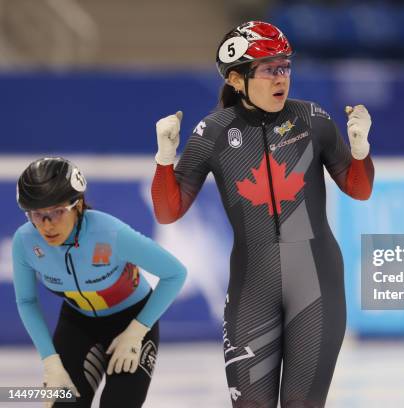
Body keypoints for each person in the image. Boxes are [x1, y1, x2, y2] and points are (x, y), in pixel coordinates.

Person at [151, 20, 374, 408]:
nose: (281, 78)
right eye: (270, 69)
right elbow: (169, 212)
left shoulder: (313, 119)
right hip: (252, 289)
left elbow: (359, 189)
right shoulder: (213, 132)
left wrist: (360, 149)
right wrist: (164, 159)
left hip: (317, 283)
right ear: (237, 80)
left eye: (285, 67)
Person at [12, 157, 187, 407]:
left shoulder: (110, 233)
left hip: (131, 319)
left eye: (57, 212)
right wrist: (49, 360)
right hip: (78, 324)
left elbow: (175, 273)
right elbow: (26, 300)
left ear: (78, 205)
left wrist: (137, 331)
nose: (47, 225)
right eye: (37, 215)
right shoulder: (25, 241)